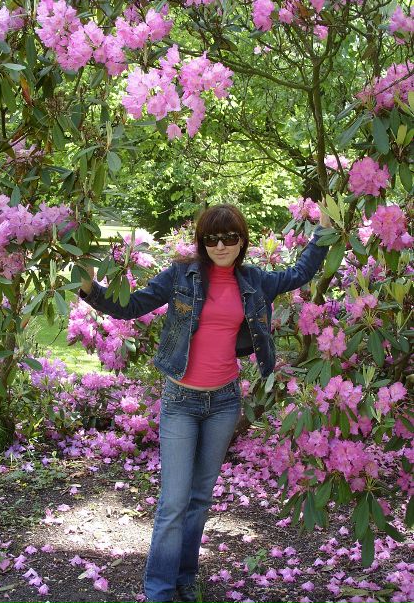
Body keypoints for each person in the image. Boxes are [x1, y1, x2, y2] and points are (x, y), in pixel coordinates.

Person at [78, 203, 332, 603]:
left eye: (229, 238)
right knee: (174, 502)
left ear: (242, 241)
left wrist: (322, 233)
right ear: (201, 243)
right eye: (211, 239)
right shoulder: (181, 275)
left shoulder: (254, 280)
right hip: (181, 400)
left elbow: (299, 273)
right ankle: (160, 591)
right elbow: (131, 306)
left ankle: (185, 576)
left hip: (225, 401)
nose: (220, 246)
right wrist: (90, 287)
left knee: (198, 499)